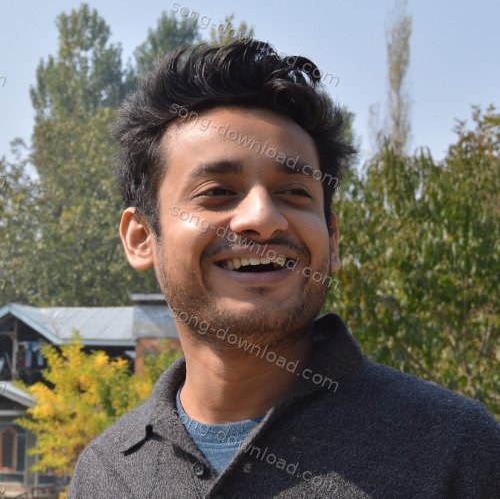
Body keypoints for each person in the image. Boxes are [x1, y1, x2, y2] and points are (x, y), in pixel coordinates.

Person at [68, 40, 499, 498]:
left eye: (294, 192)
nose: (263, 217)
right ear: (141, 238)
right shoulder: (106, 474)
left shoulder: (455, 449)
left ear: (332, 239)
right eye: (217, 192)